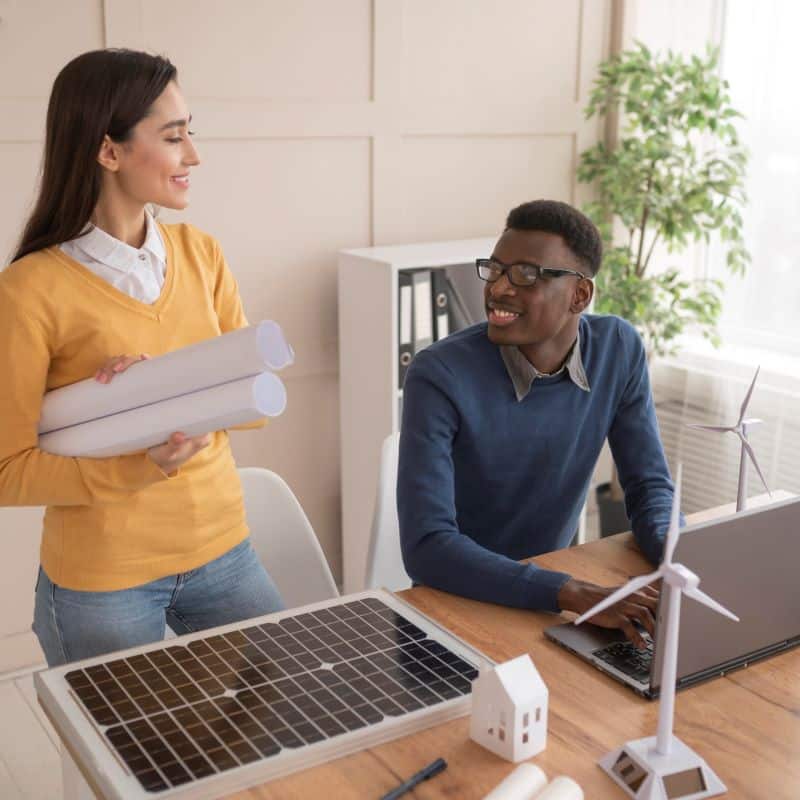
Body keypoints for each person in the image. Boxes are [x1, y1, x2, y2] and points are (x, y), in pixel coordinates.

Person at [0, 49, 284, 667]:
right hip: (105, 580)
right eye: (173, 137)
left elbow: (255, 405)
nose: (194, 156)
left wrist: (159, 390)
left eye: (191, 134)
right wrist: (135, 454)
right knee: (135, 760)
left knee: (276, 719)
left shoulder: (201, 252)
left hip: (224, 549)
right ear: (110, 152)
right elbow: (8, 469)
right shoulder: (29, 290)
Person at [398, 199, 676, 648]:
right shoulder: (439, 375)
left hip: (551, 605)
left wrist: (676, 559)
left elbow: (649, 486)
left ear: (580, 295)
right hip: (460, 605)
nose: (499, 289)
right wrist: (574, 593)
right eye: (496, 269)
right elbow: (427, 547)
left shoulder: (618, 348)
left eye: (525, 275)